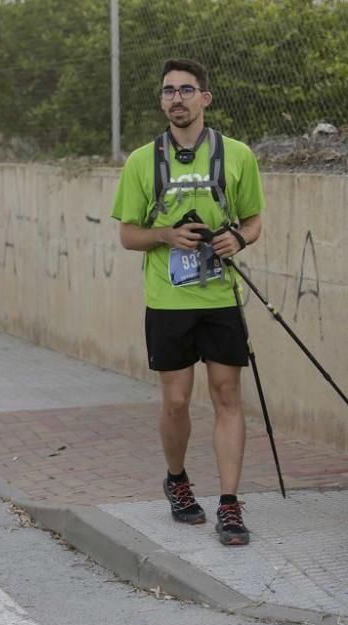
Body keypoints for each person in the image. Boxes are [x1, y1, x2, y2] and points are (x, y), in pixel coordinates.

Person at [113, 58, 265, 546]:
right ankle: (177, 481)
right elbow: (128, 235)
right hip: (168, 299)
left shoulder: (237, 155)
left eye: (185, 90)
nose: (176, 98)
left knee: (226, 396)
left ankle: (229, 503)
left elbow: (254, 221)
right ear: (161, 101)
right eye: (168, 91)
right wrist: (165, 235)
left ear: (205, 98)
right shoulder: (142, 160)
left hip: (221, 296)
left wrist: (237, 240)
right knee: (177, 401)